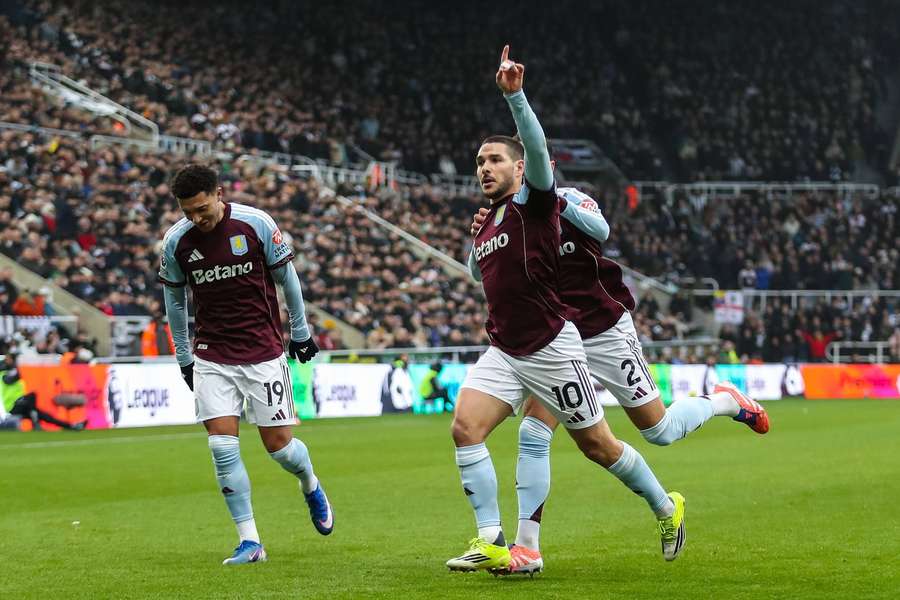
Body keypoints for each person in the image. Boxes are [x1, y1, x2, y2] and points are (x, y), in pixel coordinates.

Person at [446, 46, 683, 574]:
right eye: (480, 162)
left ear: (521, 168)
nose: (485, 168)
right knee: (466, 428)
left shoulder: (537, 201)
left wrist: (517, 98)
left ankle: (666, 506)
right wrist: (475, 240)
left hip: (553, 346)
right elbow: (481, 275)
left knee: (600, 446)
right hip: (506, 347)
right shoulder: (487, 220)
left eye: (495, 160)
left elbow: (538, 148)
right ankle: (497, 541)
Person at [471, 179, 770, 573]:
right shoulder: (506, 221)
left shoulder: (567, 198)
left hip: (603, 331)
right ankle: (527, 548)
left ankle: (725, 402)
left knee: (658, 430)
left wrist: (556, 199)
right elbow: (482, 274)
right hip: (557, 337)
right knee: (534, 431)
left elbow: (601, 230)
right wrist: (481, 235)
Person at [159, 164, 331, 566]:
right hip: (212, 354)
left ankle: (310, 482)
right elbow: (175, 304)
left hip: (263, 352)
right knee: (221, 446)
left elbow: (288, 280)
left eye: (202, 209)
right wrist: (184, 356)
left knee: (280, 448)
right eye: (188, 212)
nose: (196, 219)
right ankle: (250, 541)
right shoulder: (176, 243)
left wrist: (301, 332)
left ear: (219, 194)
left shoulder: (255, 224)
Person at [0, 352, 86, 431]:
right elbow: (8, 380)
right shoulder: (5, 372)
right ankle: (36, 421)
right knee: (32, 399)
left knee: (43, 415)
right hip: (10, 407)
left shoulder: (16, 371)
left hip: (20, 404)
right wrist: (21, 370)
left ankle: (71, 426)